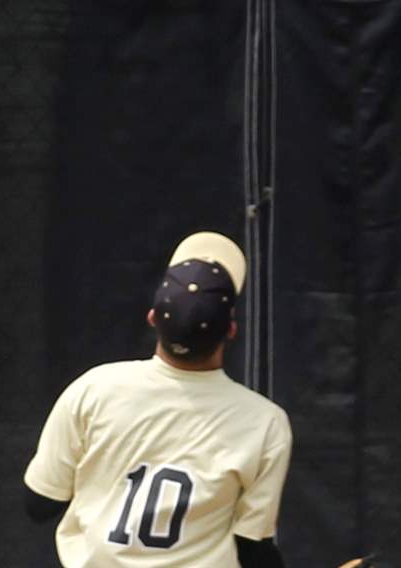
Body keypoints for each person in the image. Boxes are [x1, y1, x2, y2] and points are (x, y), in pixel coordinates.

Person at [24, 232, 293, 568]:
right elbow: (252, 549)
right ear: (231, 330)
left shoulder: (94, 389)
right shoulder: (265, 422)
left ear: (152, 318)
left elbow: (40, 503)